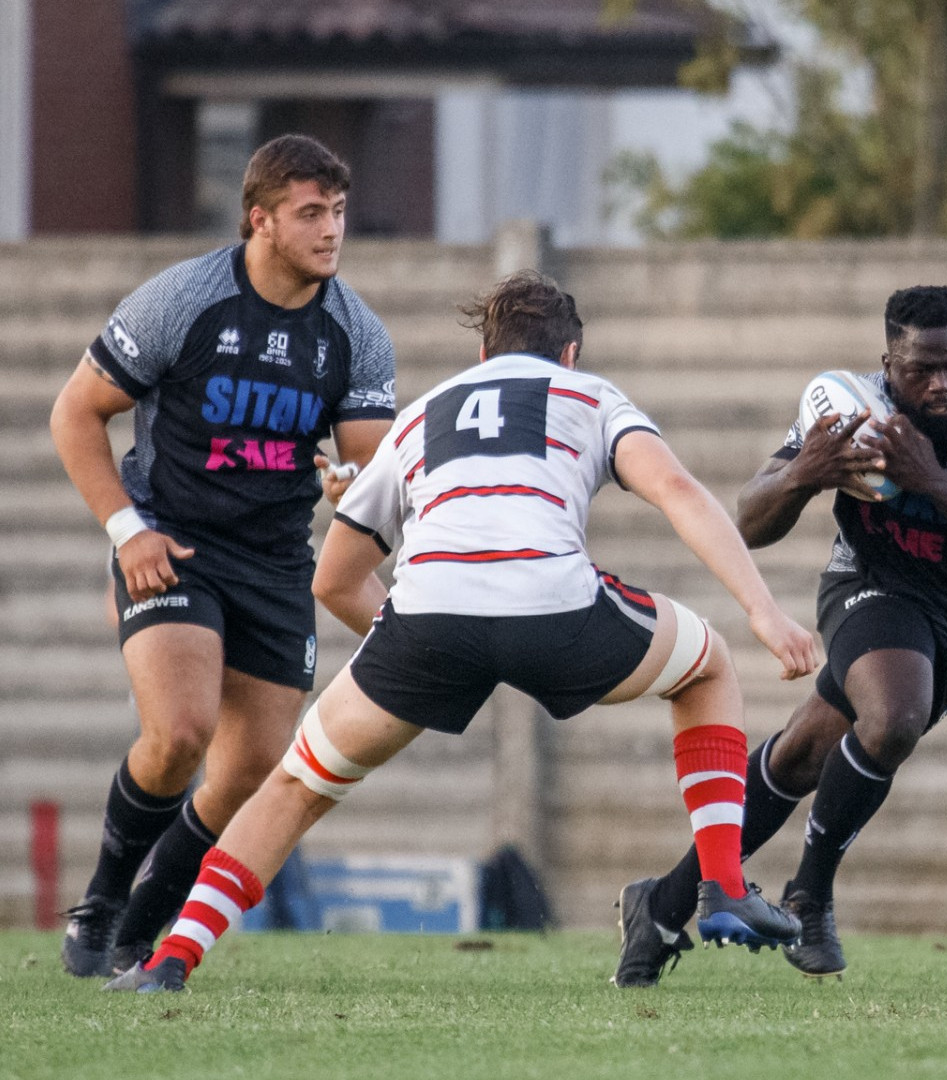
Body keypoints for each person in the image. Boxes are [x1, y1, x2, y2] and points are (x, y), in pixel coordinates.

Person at [107, 270, 819, 992]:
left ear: (483, 356)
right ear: (570, 355)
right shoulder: (591, 394)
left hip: (426, 619)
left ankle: (170, 961)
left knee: (295, 785)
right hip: (554, 607)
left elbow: (333, 579)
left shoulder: (421, 415)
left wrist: (410, 648)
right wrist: (764, 610)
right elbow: (675, 489)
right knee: (709, 666)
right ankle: (723, 884)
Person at [610, 285, 947, 986]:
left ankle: (663, 907)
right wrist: (802, 475)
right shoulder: (850, 407)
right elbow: (749, 522)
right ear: (889, 362)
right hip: (868, 590)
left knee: (802, 755)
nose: (943, 383)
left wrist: (933, 481)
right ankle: (811, 894)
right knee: (891, 719)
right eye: (923, 369)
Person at [50, 134, 397, 977]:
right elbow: (74, 414)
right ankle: (100, 906)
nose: (330, 231)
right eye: (311, 214)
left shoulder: (354, 330)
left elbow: (370, 463)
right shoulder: (185, 299)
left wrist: (350, 489)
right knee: (180, 733)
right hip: (174, 543)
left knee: (250, 767)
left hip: (276, 564)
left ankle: (144, 924)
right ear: (261, 219)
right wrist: (127, 531)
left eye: (339, 213)